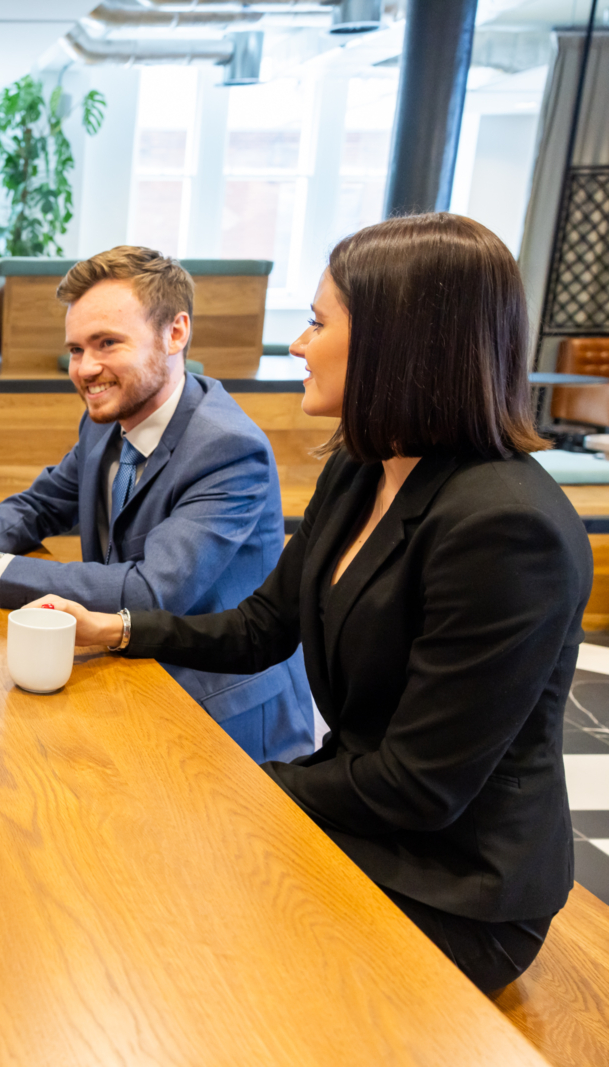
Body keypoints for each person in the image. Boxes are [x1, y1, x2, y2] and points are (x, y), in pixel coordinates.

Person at [35, 214, 589, 993]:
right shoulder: (362, 467)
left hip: (455, 885)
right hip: (368, 821)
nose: (298, 344)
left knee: (171, 933)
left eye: (317, 323)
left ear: (399, 341)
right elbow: (265, 624)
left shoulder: (506, 526)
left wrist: (224, 784)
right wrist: (118, 629)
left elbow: (419, 787)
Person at [0, 247, 312, 763]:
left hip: (220, 715)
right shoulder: (112, 416)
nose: (85, 369)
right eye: (76, 349)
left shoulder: (229, 449)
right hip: (124, 669)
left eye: (107, 343)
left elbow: (150, 590)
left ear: (176, 333)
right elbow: (43, 504)